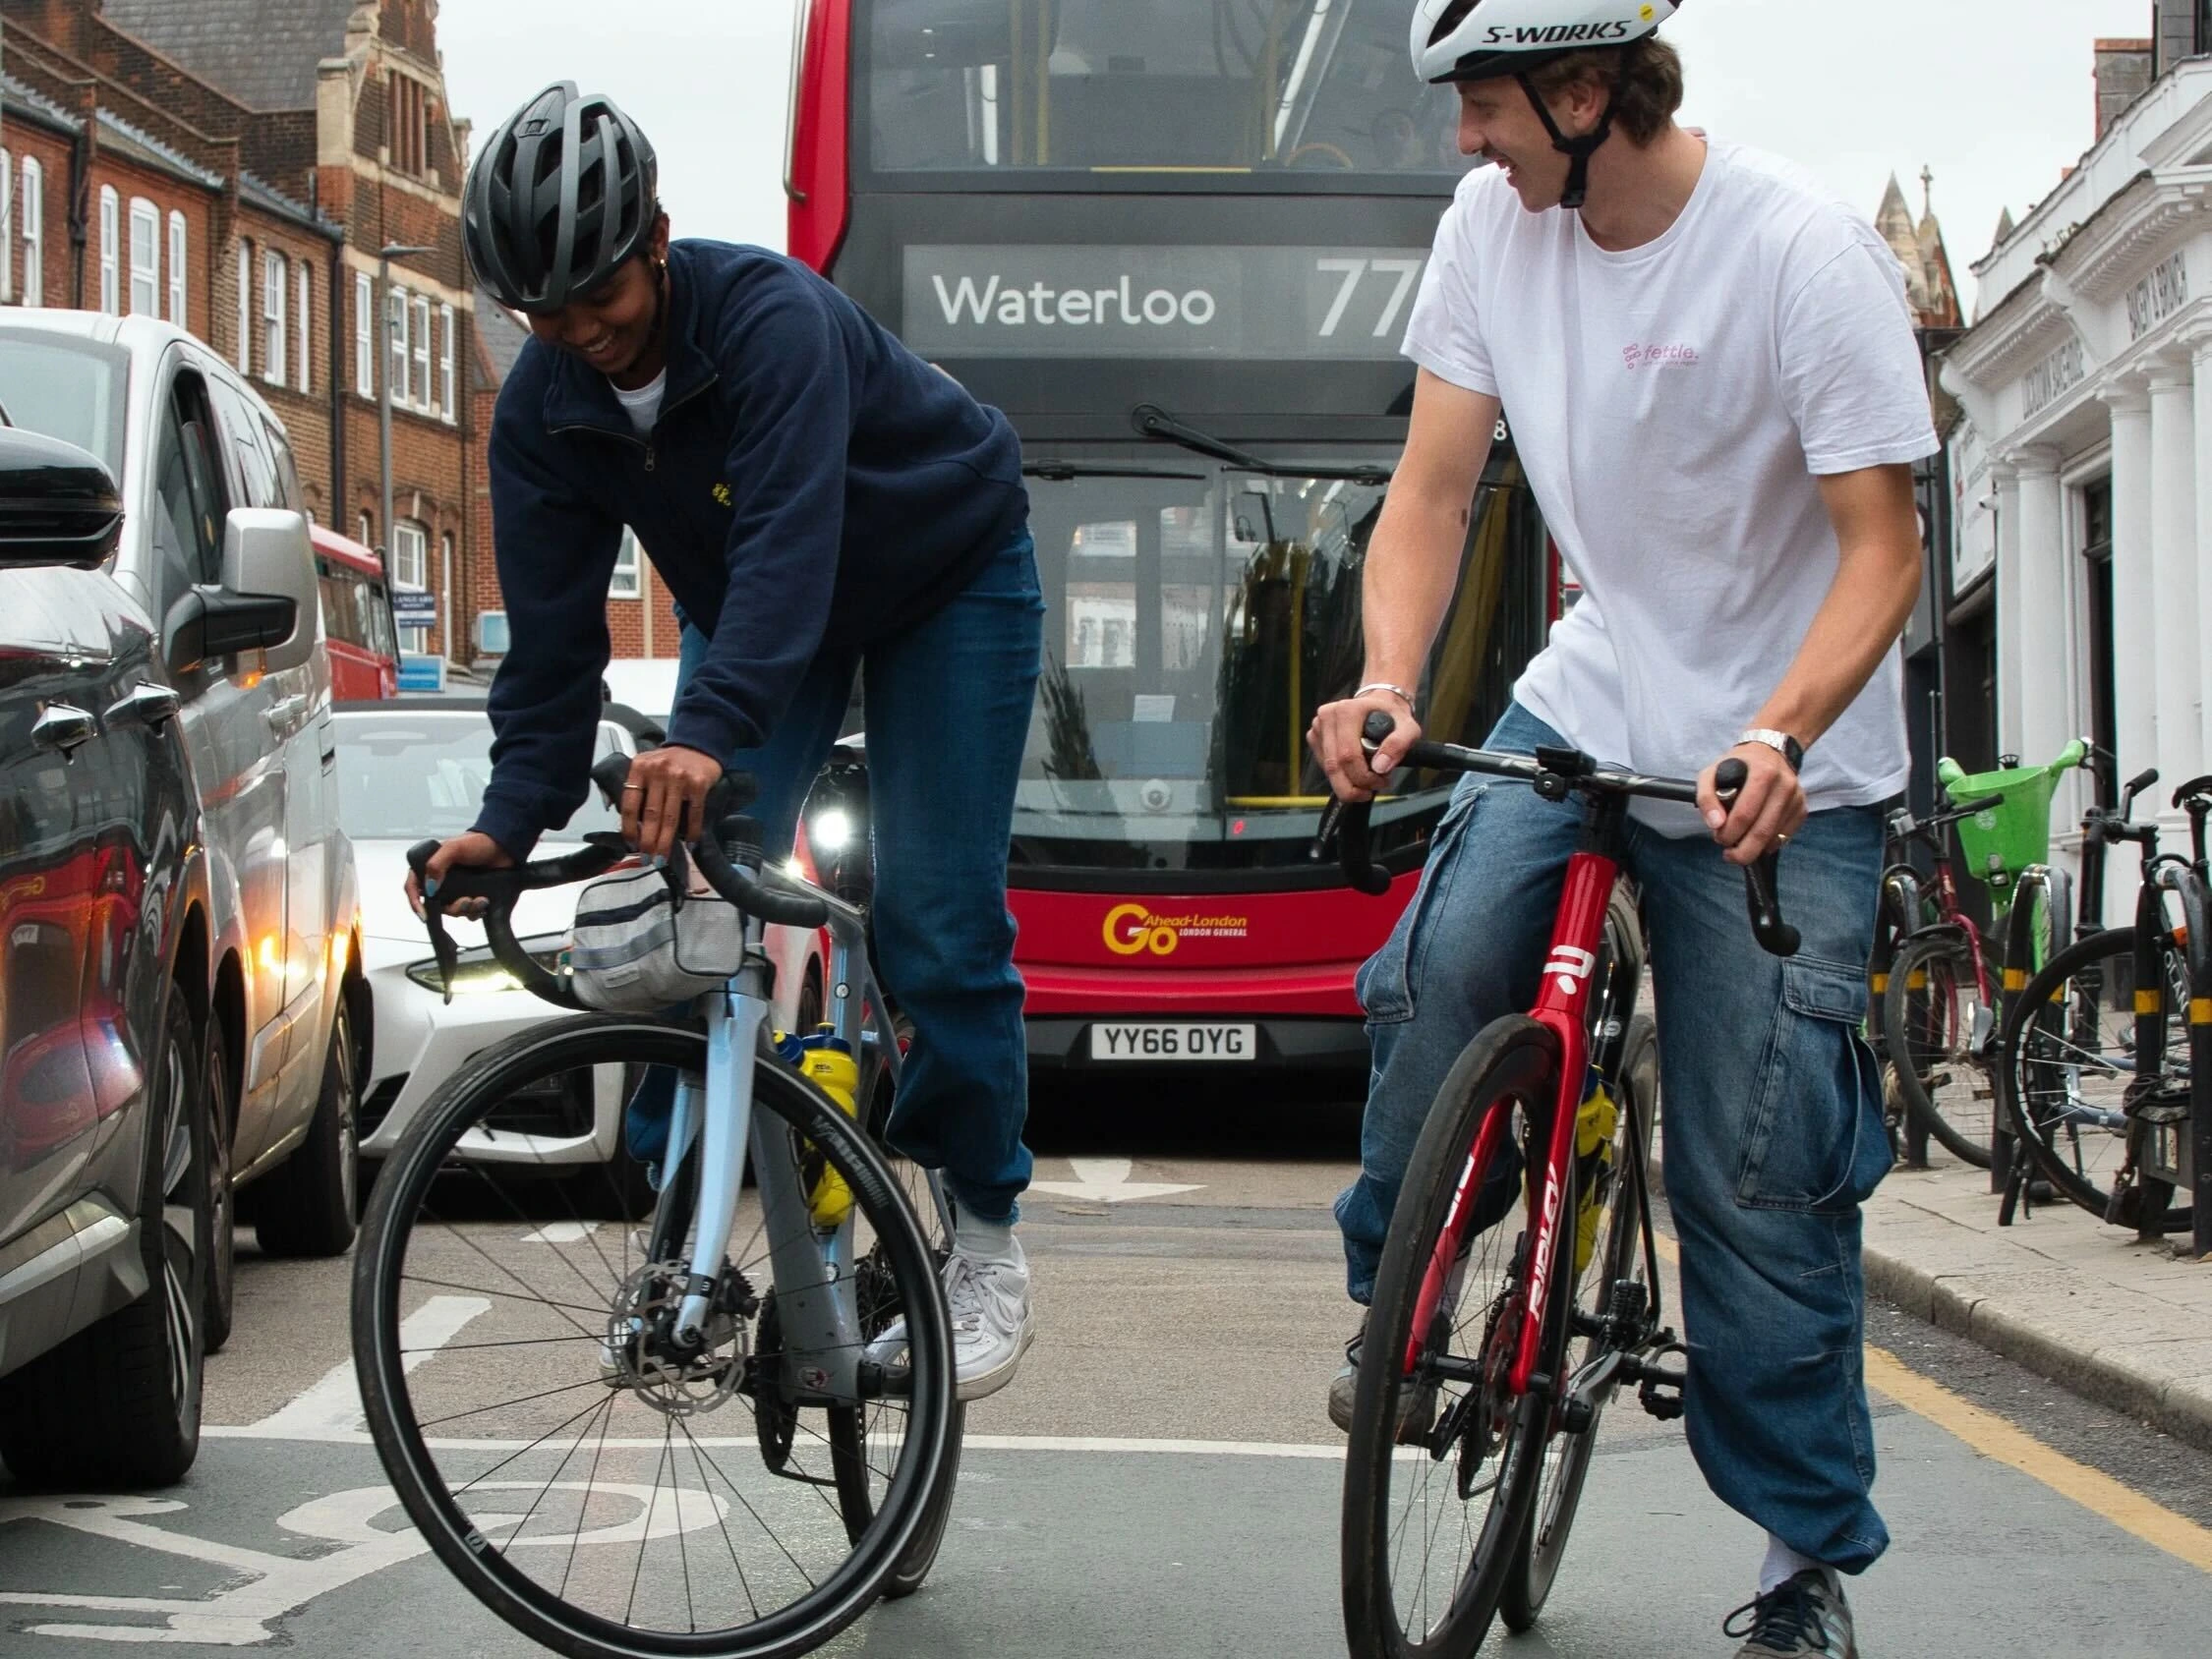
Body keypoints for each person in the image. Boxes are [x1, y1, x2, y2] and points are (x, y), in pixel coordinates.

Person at [1309, 4, 1935, 1653]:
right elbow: (1434, 490)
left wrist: (1777, 729)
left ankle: (1799, 1565)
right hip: (1592, 698)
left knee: (1756, 1172)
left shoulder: (1798, 257)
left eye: (1487, 105)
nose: (1465, 142)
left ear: (1588, 92)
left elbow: (1883, 547)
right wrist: (1384, 681)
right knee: (1440, 969)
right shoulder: (1489, 231)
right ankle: (1412, 1296)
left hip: (1778, 753)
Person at [411, 82, 1041, 1400]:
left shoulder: (770, 322)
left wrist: (704, 736)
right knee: (678, 890)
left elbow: (785, 549)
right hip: (762, 615)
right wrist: (504, 822)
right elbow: (551, 650)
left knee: (932, 911)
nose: (582, 338)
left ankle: (983, 1242)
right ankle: (699, 1207)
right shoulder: (541, 411)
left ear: (656, 239)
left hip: (944, 577)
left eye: (603, 301)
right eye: (546, 317)